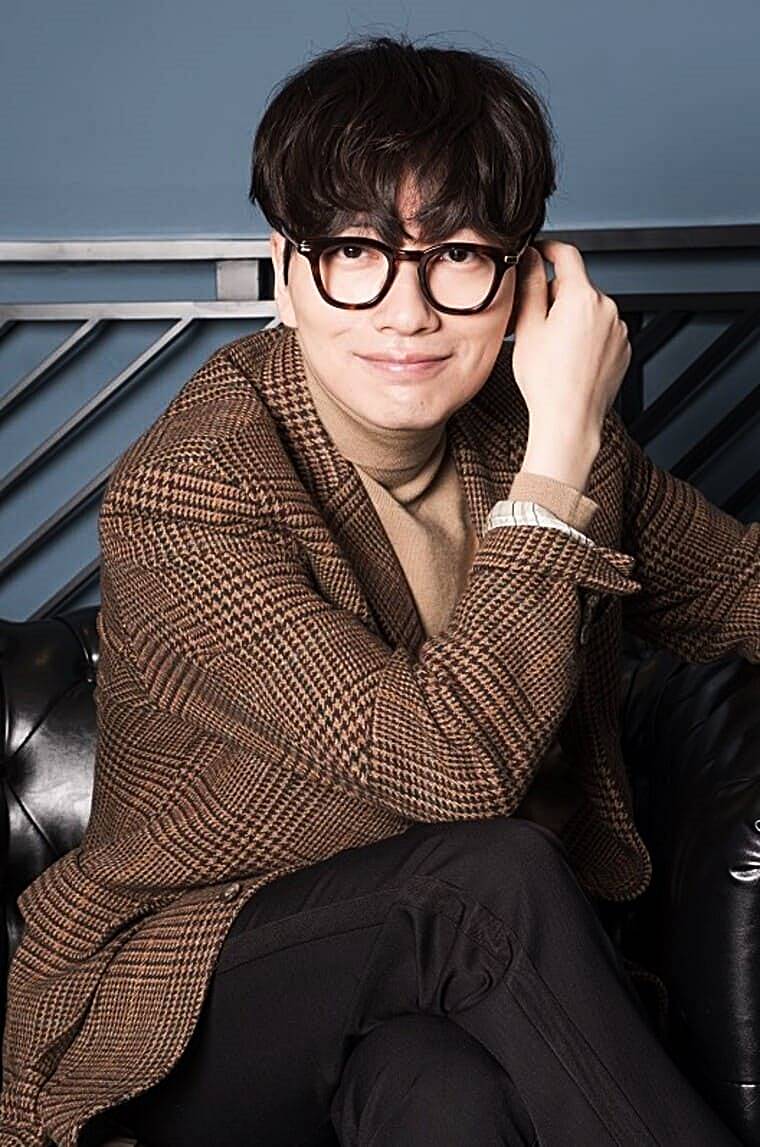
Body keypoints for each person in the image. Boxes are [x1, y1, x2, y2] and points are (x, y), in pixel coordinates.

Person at [1, 33, 755, 1147]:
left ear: (526, 278)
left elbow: (739, 587)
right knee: (485, 879)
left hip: (439, 988)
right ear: (286, 271)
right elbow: (451, 771)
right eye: (355, 252)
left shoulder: (535, 435)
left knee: (441, 1094)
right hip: (192, 991)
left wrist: (557, 445)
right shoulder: (190, 489)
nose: (408, 312)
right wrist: (558, 455)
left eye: (458, 255)